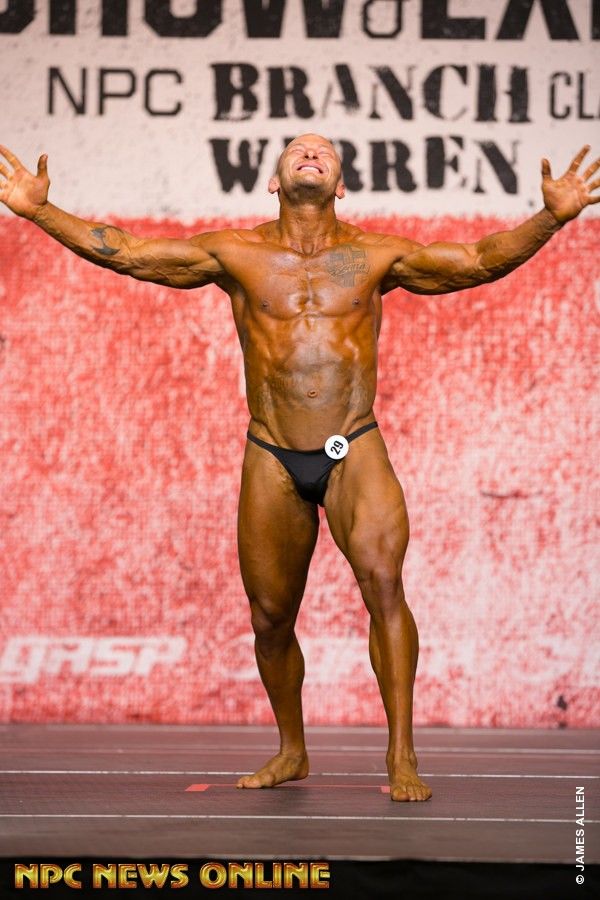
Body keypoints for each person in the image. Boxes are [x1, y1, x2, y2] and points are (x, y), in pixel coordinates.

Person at [1, 136, 598, 802]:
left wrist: (550, 219)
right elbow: (131, 253)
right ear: (273, 180)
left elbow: (479, 261)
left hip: (353, 444)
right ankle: (292, 750)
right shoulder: (235, 252)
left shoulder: (376, 255)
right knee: (270, 618)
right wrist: (40, 212)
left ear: (340, 184)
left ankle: (401, 755)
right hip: (271, 451)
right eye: (297, 149)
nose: (310, 152)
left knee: (384, 586)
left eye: (324, 151)